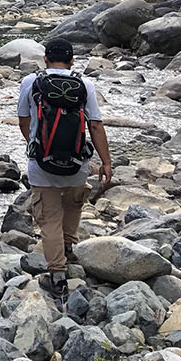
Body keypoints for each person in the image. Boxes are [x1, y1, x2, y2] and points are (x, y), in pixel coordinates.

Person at [16, 37, 112, 309]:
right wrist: (106, 162)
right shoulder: (84, 84)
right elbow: (95, 125)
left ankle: (57, 276)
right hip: (77, 163)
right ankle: (67, 249)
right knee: (72, 205)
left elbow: (23, 120)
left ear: (45, 59)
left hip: (41, 164)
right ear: (72, 61)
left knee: (49, 220)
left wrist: (35, 144)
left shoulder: (30, 82)